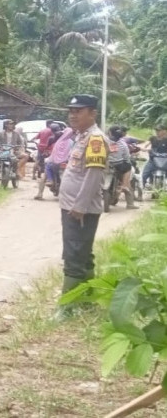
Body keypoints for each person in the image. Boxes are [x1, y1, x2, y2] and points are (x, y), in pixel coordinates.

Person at [56, 94, 108, 319]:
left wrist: (80, 206)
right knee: (83, 253)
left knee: (74, 254)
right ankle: (87, 301)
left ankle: (66, 308)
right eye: (71, 110)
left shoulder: (95, 139)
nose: (73, 114)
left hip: (80, 209)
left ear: (92, 113)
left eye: (79, 111)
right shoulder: (81, 137)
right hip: (72, 205)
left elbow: (94, 175)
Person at [35, 126, 74, 200]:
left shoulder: (57, 141)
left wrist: (48, 158)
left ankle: (40, 193)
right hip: (67, 163)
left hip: (54, 162)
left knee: (45, 173)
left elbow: (53, 153)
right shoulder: (71, 142)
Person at [107, 125, 137, 210]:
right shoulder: (123, 144)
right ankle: (125, 186)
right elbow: (126, 157)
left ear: (109, 133)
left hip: (106, 165)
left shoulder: (105, 141)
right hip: (119, 166)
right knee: (128, 166)